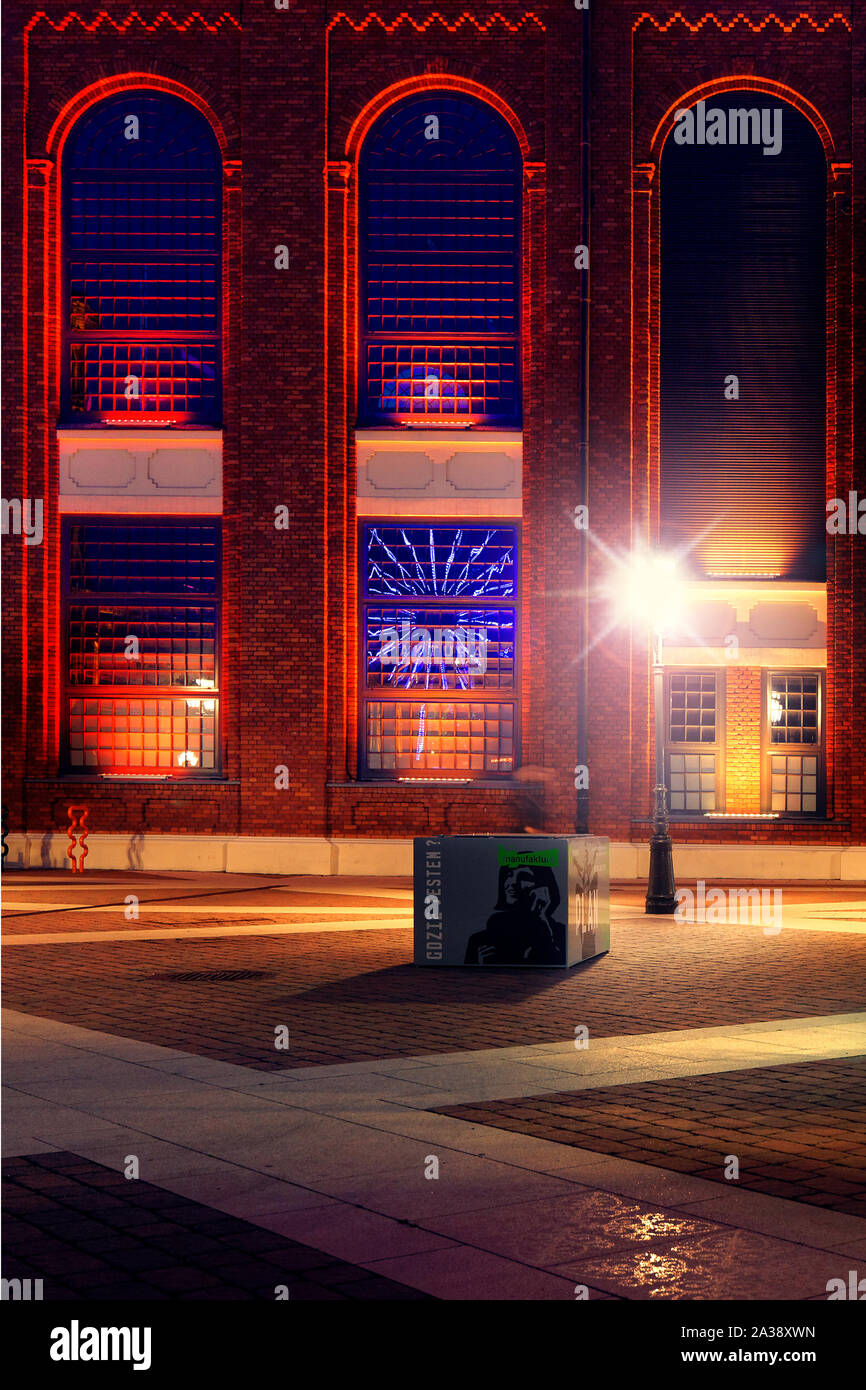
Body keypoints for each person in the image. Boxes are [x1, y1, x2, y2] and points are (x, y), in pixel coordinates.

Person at [464, 864, 566, 965]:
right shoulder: (481, 939)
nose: (512, 882)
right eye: (509, 875)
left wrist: (541, 919)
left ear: (543, 886)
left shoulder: (559, 933)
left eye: (524, 877)